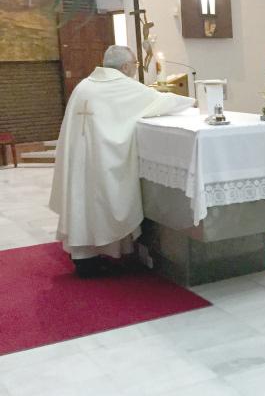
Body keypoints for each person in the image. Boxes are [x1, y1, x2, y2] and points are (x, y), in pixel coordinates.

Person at [49, 46, 195, 278]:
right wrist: (191, 101)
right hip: (99, 160)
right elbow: (161, 101)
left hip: (79, 159)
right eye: (135, 65)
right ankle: (91, 260)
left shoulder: (84, 86)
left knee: (81, 200)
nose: (134, 70)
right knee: (97, 203)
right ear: (126, 66)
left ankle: (83, 256)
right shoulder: (122, 85)